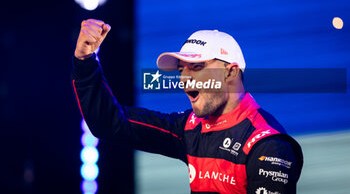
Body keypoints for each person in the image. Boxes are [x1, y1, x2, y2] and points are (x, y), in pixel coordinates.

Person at [72, 19, 303, 194]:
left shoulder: (268, 145)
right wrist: (85, 61)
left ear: (230, 72)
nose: (184, 79)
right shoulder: (190, 127)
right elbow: (110, 123)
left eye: (197, 67)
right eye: (182, 69)